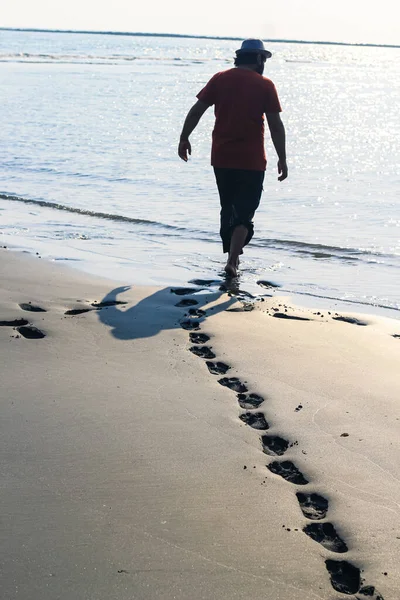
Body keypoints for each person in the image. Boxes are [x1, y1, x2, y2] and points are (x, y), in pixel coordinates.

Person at [178, 38, 288, 278]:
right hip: (251, 160)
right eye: (264, 59)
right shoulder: (265, 85)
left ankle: (233, 258)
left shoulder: (220, 78)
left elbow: (197, 110)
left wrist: (184, 137)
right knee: (245, 211)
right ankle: (232, 261)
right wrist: (283, 158)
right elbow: (275, 126)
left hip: (222, 157)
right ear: (259, 59)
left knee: (228, 207)